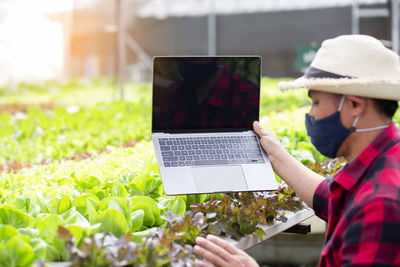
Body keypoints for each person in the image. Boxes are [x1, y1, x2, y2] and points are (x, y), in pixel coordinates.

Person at [193, 35, 400, 266]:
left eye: (316, 102)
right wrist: (275, 155)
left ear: (354, 105)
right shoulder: (384, 160)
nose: (310, 114)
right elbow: (332, 200)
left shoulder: (380, 204)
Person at [157, 58, 260, 130]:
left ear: (221, 59)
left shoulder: (245, 94)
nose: (188, 61)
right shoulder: (175, 92)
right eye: (184, 56)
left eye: (198, 56)